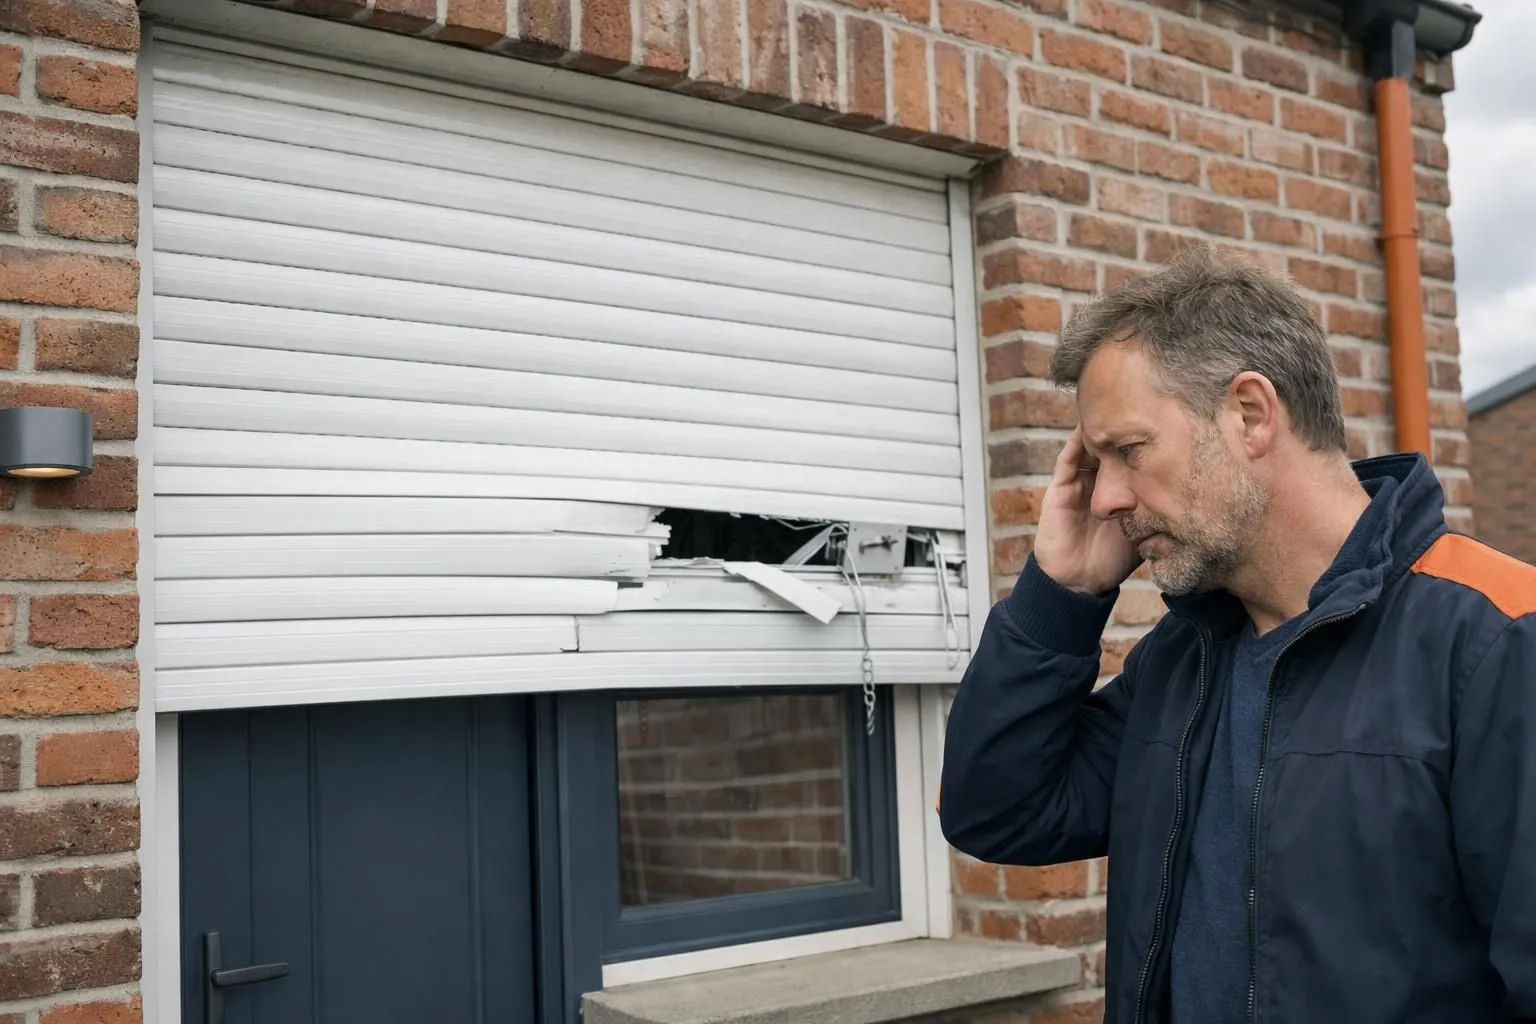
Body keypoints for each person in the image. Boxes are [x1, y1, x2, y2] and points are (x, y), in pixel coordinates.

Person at [938, 246, 1535, 1024]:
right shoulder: (1186, 660)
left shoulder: (1499, 637)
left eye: (1129, 449)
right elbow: (1000, 810)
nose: (1109, 496)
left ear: (1250, 414)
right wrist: (1063, 596)